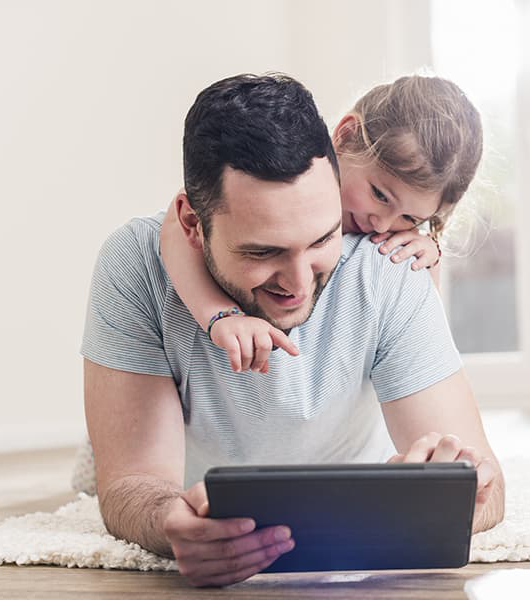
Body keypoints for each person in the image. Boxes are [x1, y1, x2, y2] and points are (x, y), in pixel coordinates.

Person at [82, 73, 505, 588]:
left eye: (324, 238)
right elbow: (131, 485)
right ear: (193, 224)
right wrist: (166, 521)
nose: (300, 283)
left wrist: (464, 485)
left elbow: (491, 489)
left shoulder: (390, 263)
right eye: (263, 251)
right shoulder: (138, 263)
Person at [160, 74, 478, 374]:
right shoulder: (297, 168)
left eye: (410, 218)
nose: (382, 225)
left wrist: (428, 256)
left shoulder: (392, 246)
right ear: (347, 135)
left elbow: (417, 335)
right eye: (380, 195)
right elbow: (177, 227)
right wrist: (219, 315)